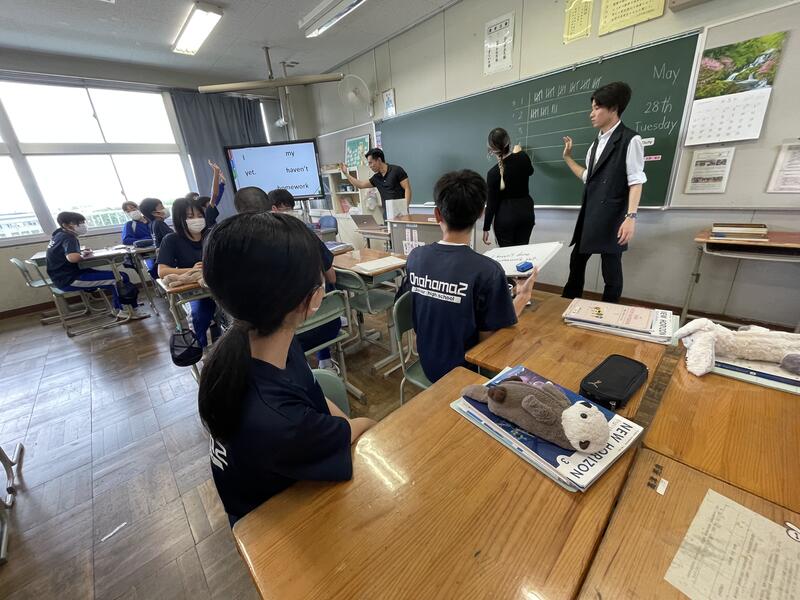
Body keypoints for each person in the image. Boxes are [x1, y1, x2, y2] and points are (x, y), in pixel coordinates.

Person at [199, 211, 376, 525]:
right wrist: (362, 426)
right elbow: (361, 427)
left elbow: (314, 396)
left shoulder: (250, 343)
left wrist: (342, 429)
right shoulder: (277, 420)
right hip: (279, 525)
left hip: (287, 484)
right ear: (308, 299)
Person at [401, 170, 537, 383]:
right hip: (465, 374)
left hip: (426, 363)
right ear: (481, 213)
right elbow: (488, 344)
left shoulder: (416, 257)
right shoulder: (488, 271)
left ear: (437, 214)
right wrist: (522, 296)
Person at [561, 81, 646, 303]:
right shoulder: (595, 144)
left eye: (597, 108)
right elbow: (587, 177)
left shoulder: (631, 140)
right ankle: (568, 303)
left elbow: (636, 181)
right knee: (576, 261)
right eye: (592, 108)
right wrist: (568, 158)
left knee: (611, 269)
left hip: (614, 216)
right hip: (589, 215)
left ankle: (610, 310)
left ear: (614, 108)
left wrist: (631, 217)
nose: (592, 114)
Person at [268, 188, 340, 371]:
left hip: (291, 336)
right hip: (329, 324)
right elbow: (331, 277)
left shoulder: (265, 248)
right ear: (274, 209)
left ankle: (304, 368)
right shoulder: (309, 238)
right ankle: (325, 361)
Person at [46, 211, 142, 317]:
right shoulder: (68, 237)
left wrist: (81, 253)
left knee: (119, 276)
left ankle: (121, 308)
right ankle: (125, 311)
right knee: (119, 278)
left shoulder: (58, 235)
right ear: (65, 225)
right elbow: (73, 258)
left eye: (82, 222)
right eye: (78, 223)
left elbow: (66, 254)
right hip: (69, 279)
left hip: (63, 276)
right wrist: (81, 255)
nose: (82, 225)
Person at [157, 198, 217, 347]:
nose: (197, 220)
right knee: (199, 315)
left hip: (217, 285)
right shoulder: (171, 240)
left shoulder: (212, 234)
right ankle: (201, 349)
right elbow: (162, 271)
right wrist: (193, 270)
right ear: (180, 219)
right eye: (190, 217)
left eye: (200, 215)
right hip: (194, 291)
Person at [483, 128, 535, 247]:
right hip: (526, 213)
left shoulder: (493, 173)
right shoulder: (523, 157)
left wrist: (486, 227)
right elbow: (530, 171)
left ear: (491, 150)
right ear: (509, 143)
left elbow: (491, 203)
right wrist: (519, 152)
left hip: (505, 217)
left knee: (506, 254)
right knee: (522, 253)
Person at [339, 148, 411, 220]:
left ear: (379, 160)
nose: (370, 166)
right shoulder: (376, 178)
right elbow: (361, 185)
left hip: (402, 214)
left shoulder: (396, 170)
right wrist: (346, 174)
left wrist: (404, 209)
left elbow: (407, 189)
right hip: (387, 215)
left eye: (370, 163)